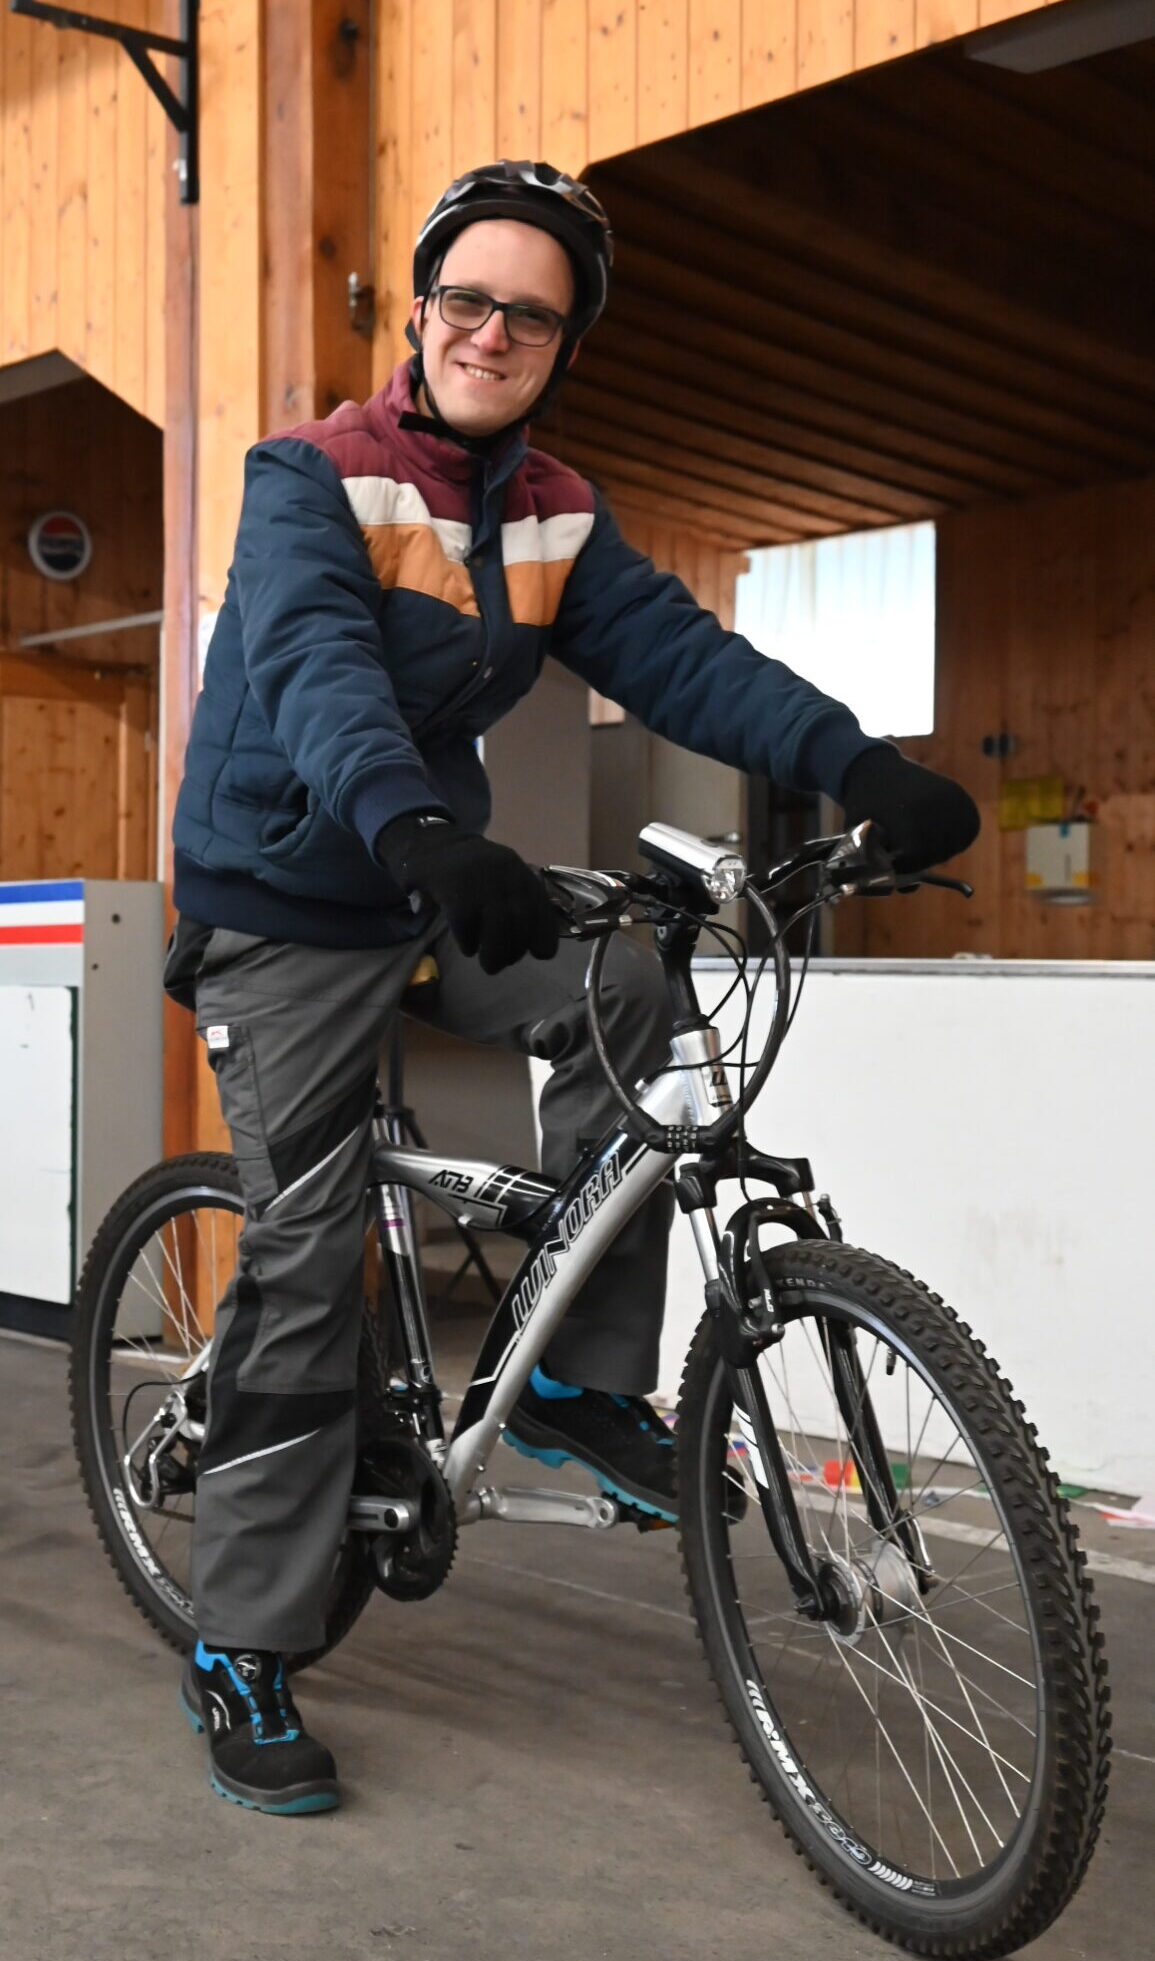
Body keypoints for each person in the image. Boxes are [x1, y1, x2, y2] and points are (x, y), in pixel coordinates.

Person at [165, 161, 981, 1814]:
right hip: (287, 891)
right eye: (465, 299)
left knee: (632, 997)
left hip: (427, 869)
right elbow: (312, 670)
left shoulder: (552, 511)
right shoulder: (308, 476)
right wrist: (408, 821)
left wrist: (860, 772)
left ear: (561, 346)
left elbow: (686, 661)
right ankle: (237, 1641)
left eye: (528, 315)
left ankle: (569, 1382)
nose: (490, 331)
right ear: (419, 310)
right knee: (311, 1261)